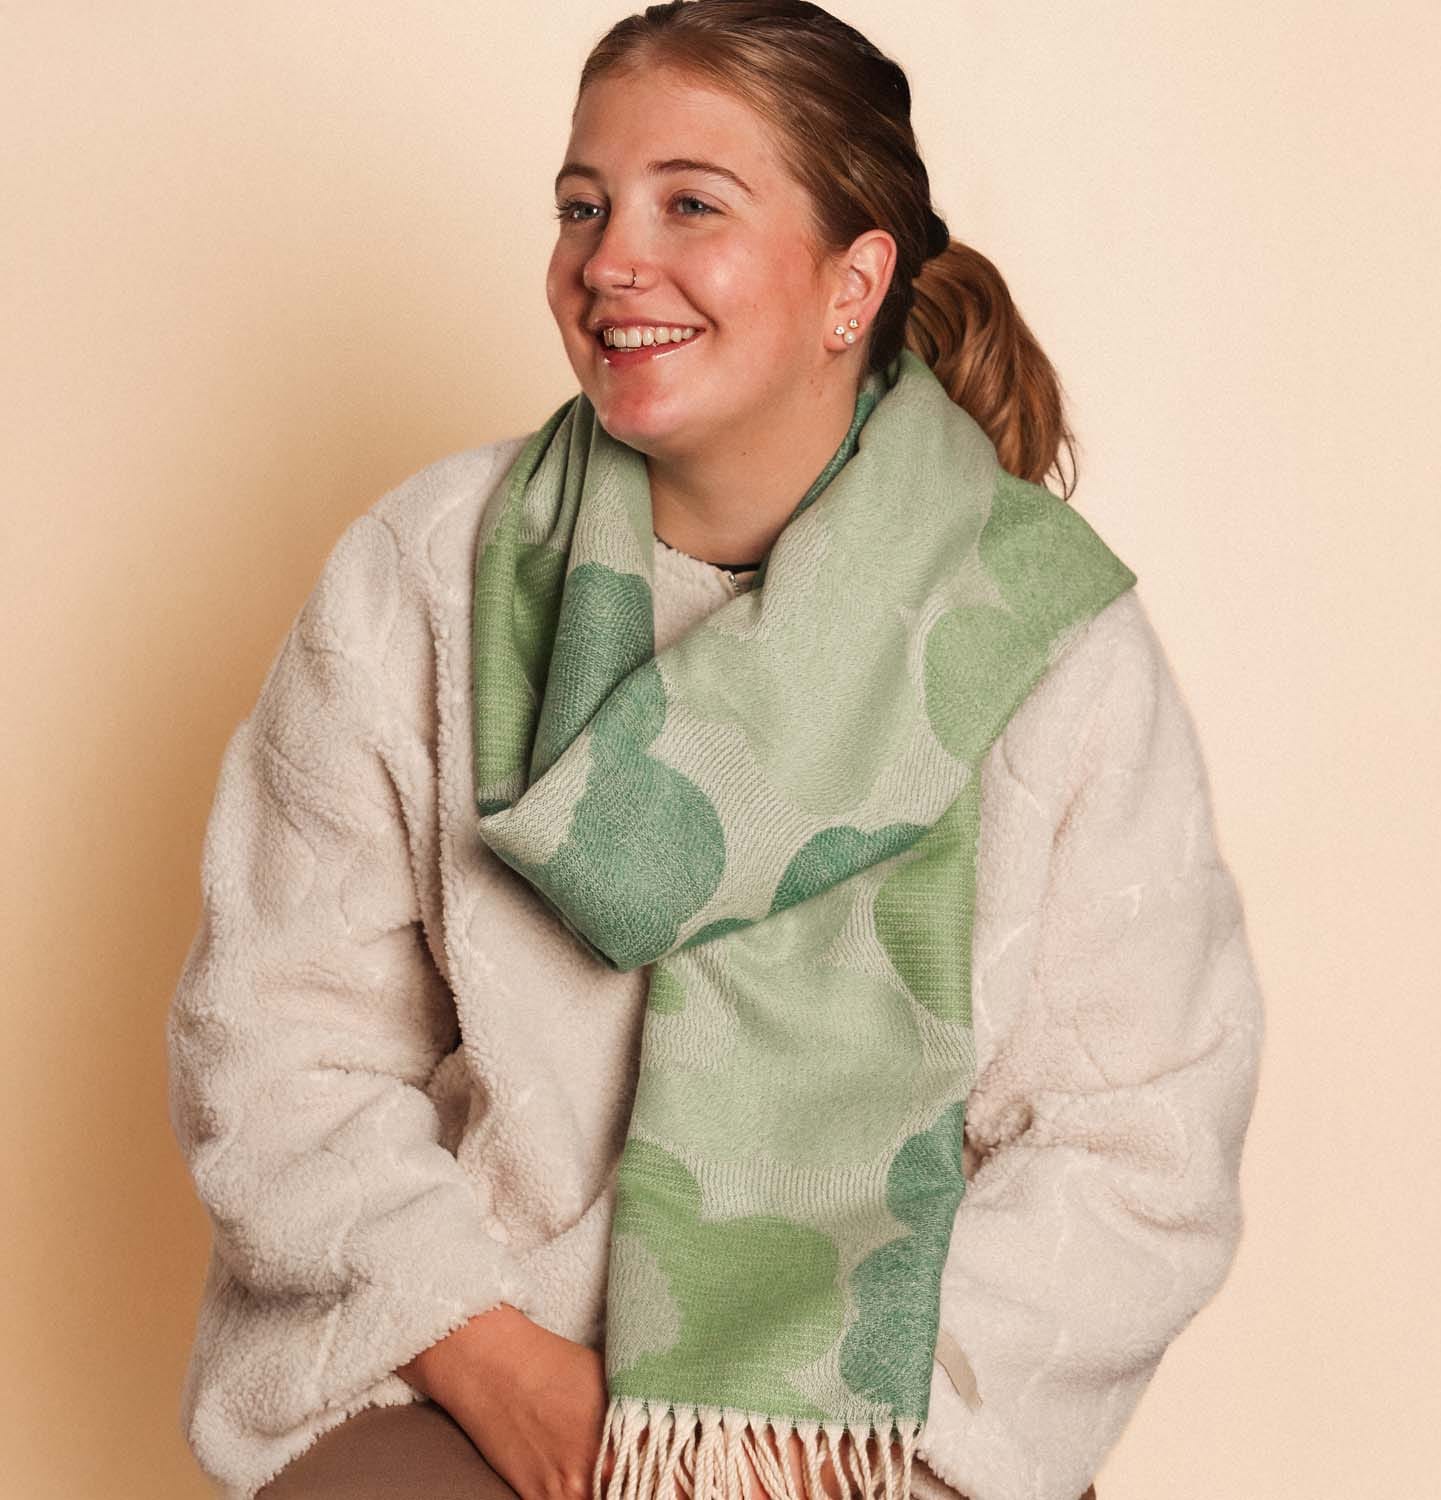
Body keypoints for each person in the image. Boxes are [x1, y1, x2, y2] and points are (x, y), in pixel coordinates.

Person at [164, 4, 1265, 1499]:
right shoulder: (425, 574)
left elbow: (1136, 1141)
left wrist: (808, 1453)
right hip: (488, 1364)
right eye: (582, 205)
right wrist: (505, 1370)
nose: (612, 257)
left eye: (691, 203)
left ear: (852, 281)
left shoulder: (1049, 643)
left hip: (883, 1410)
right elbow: (279, 1041)